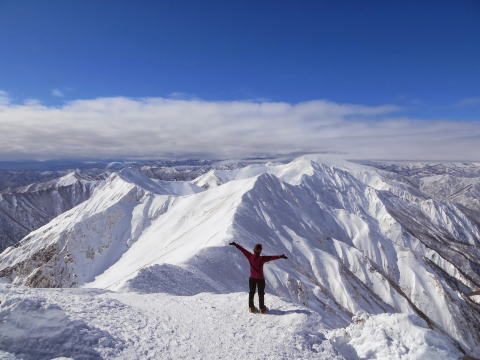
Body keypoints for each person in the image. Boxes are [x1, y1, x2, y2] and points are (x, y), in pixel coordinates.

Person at [229, 241, 287, 313]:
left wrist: (235, 245)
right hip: (260, 279)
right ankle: (262, 308)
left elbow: (242, 250)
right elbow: (271, 257)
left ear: (254, 250)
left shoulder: (250, 256)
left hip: (252, 278)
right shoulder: (262, 259)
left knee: (251, 293)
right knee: (261, 294)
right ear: (260, 252)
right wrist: (280, 256)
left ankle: (251, 307)